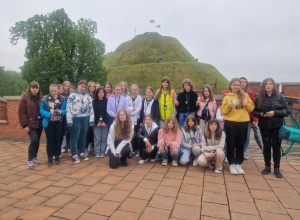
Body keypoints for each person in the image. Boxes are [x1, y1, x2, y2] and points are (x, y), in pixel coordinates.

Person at [252, 78, 289, 178]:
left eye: (270, 84)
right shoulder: (259, 98)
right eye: (266, 84)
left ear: (273, 86)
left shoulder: (279, 97)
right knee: (266, 146)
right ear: (263, 86)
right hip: (264, 126)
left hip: (277, 126)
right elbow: (254, 111)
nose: (268, 85)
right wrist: (261, 114)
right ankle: (267, 166)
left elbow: (287, 111)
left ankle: (277, 168)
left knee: (276, 147)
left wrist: (275, 113)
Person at [221, 78, 254, 175]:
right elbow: (224, 111)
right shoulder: (227, 97)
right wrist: (229, 106)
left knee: (241, 143)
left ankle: (238, 163)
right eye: (234, 85)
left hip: (243, 122)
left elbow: (251, 108)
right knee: (231, 143)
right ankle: (231, 163)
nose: (236, 87)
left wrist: (246, 104)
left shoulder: (245, 95)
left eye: (238, 85)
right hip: (231, 122)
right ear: (230, 86)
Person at [66, 80, 94, 164]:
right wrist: (69, 120)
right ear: (78, 85)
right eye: (82, 86)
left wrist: (91, 119)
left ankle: (82, 152)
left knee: (83, 136)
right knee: (74, 137)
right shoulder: (72, 96)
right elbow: (68, 108)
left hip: (85, 118)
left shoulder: (88, 96)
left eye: (85, 87)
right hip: (75, 118)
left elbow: (91, 108)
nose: (83, 88)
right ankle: (74, 154)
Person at [40, 84, 66, 166]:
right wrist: (49, 114)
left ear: (58, 90)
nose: (53, 92)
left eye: (55, 90)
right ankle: (50, 158)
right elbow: (41, 110)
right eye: (51, 90)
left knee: (58, 140)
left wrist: (62, 112)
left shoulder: (62, 99)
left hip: (58, 122)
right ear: (49, 90)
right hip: (49, 122)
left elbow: (65, 109)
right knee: (50, 141)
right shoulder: (44, 99)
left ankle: (57, 157)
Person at [18, 81, 43, 169]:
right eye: (33, 87)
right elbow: (21, 112)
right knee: (34, 140)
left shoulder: (41, 98)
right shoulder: (24, 98)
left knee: (37, 141)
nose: (35, 89)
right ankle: (29, 160)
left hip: (39, 123)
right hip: (30, 124)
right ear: (30, 88)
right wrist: (24, 125)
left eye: (37, 88)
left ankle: (34, 157)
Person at [240, 77, 262, 159]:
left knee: (247, 136)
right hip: (237, 118)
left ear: (247, 83)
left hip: (248, 118)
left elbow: (254, 107)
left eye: (245, 82)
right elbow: (223, 92)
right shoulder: (234, 92)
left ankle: (244, 152)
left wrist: (255, 119)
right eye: (241, 82)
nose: (243, 83)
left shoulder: (250, 94)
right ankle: (237, 151)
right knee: (238, 135)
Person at [126, 84, 143, 156]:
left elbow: (139, 108)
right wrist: (131, 109)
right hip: (129, 119)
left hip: (137, 118)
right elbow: (125, 106)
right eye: (133, 90)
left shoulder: (139, 98)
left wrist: (132, 113)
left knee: (136, 134)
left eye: (135, 90)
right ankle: (130, 149)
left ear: (137, 91)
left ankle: (136, 149)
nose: (134, 91)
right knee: (129, 134)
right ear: (131, 90)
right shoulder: (127, 97)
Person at [93, 87, 109, 157]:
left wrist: (105, 122)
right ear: (97, 93)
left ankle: (102, 152)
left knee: (104, 137)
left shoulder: (107, 101)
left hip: (105, 121)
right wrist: (96, 122)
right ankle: (97, 152)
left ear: (104, 93)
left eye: (102, 92)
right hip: (96, 121)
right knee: (97, 138)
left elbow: (108, 112)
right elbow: (92, 113)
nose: (101, 93)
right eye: (99, 92)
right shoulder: (93, 102)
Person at [86, 82, 96, 153]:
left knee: (93, 131)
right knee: (87, 131)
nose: (92, 88)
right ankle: (87, 145)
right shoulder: (86, 95)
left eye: (93, 86)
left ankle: (93, 145)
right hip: (87, 115)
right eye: (91, 86)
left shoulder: (96, 95)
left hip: (95, 115)